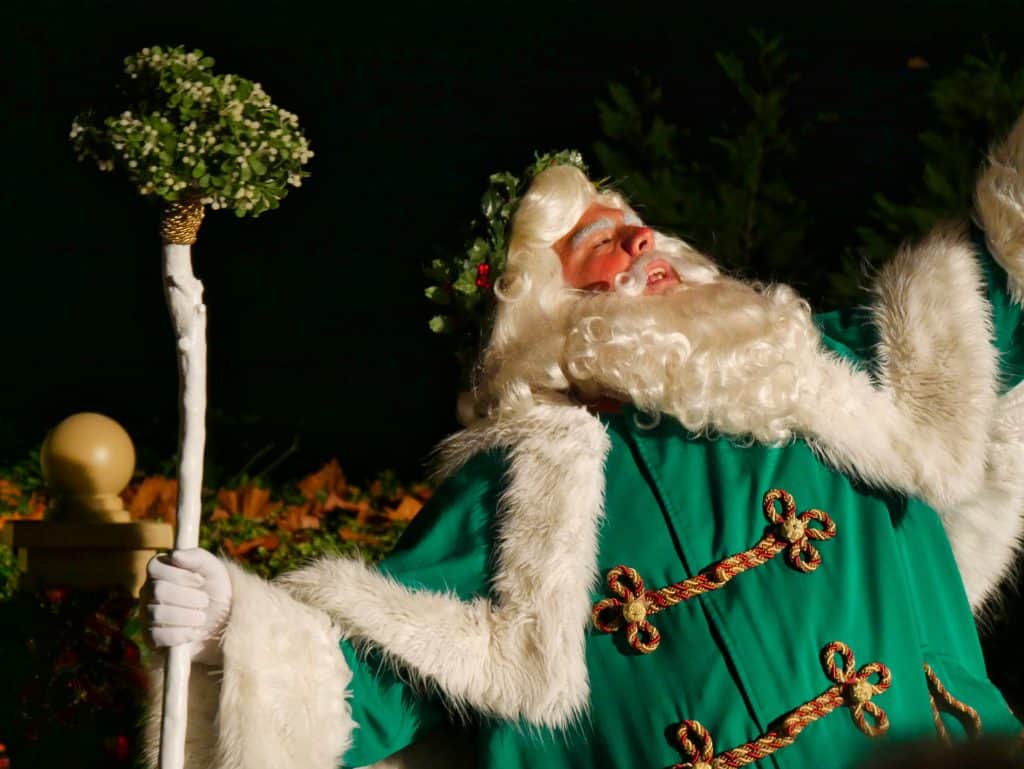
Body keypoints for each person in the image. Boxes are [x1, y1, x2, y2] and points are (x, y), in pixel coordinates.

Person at [143, 118, 1024, 769]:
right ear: (540, 306)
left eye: (635, 220)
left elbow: (1001, 278)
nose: (647, 238)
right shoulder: (516, 490)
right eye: (604, 240)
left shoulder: (823, 368)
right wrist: (237, 626)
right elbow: (371, 679)